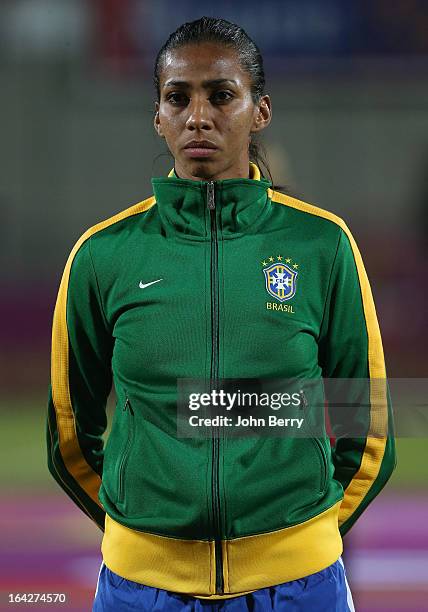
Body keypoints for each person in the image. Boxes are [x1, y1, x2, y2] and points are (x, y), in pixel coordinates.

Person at [46, 16, 396, 611]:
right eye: (178, 98)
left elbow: (368, 421)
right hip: (140, 589)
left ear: (259, 111)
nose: (198, 116)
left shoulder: (322, 245)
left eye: (222, 95)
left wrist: (303, 537)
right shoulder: (101, 255)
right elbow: (69, 428)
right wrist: (138, 529)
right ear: (157, 116)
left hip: (300, 586)